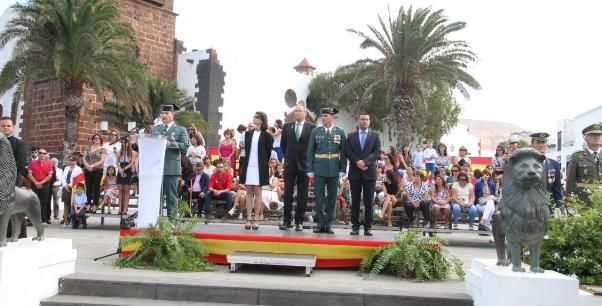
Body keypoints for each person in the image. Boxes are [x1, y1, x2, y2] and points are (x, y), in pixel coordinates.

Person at [307, 107, 347, 234]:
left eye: (326, 116)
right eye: (322, 116)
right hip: (319, 167)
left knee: (332, 197)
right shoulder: (315, 132)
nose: (324, 118)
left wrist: (342, 169)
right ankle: (320, 223)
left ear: (332, 117)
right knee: (319, 197)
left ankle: (329, 224)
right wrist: (310, 169)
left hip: (334, 168)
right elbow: (310, 152)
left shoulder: (340, 132)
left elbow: (344, 152)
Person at [278, 104, 314, 231]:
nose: (297, 113)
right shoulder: (287, 126)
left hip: (305, 165)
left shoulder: (312, 127)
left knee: (303, 195)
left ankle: (299, 221)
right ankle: (286, 221)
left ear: (305, 113)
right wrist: (289, 157)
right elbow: (283, 145)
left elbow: (313, 147)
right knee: (287, 193)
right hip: (290, 164)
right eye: (295, 111)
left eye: (299, 111)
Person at [344, 112, 380, 236]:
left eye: (367, 119)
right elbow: (347, 151)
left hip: (369, 172)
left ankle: (368, 227)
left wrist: (365, 162)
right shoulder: (351, 136)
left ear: (369, 121)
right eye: (362, 119)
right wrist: (357, 161)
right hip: (355, 172)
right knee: (355, 200)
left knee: (369, 201)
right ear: (358, 121)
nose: (364, 121)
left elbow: (376, 152)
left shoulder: (375, 136)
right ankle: (355, 226)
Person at [151, 104, 189, 218]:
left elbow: (185, 146)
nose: (164, 115)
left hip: (171, 167)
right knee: (157, 196)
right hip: (156, 167)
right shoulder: (156, 129)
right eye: (162, 113)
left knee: (171, 196)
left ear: (173, 114)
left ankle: (172, 222)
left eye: (166, 113)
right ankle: (155, 220)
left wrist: (172, 143)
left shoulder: (180, 129)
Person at [239, 111, 274, 230]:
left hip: (260, 166)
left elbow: (268, 152)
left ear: (262, 120)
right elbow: (247, 149)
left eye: (256, 117)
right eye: (254, 117)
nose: (254, 118)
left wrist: (263, 162)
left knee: (258, 191)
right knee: (248, 191)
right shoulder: (248, 134)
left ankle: (257, 219)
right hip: (249, 165)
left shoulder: (267, 135)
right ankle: (248, 218)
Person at [1, 116, 28, 238]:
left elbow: (20, 164)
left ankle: (18, 234)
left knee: (13, 210)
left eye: (8, 125)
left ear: (13, 127)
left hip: (11, 182)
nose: (6, 127)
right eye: (3, 125)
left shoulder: (20, 144)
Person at [566, 123, 602, 204]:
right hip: (584, 201)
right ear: (585, 138)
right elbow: (570, 181)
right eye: (593, 135)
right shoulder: (577, 156)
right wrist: (570, 202)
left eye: (599, 135)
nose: (597, 137)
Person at [530, 132, 563, 213]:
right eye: (538, 142)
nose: (541, 145)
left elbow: (557, 188)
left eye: (543, 142)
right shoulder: (525, 164)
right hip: (530, 206)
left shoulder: (554, 164)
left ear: (547, 145)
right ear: (532, 145)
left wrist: (559, 206)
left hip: (548, 206)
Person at [27, 147, 54, 224]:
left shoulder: (49, 164)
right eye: (40, 153)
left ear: (46, 155)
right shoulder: (32, 163)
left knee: (44, 202)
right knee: (33, 202)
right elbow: (29, 174)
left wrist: (40, 183)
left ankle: (43, 220)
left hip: (44, 185)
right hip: (34, 184)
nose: (42, 155)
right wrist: (36, 182)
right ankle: (32, 220)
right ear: (38, 154)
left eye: (44, 153)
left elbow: (50, 176)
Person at [82, 133, 106, 213]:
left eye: (98, 138)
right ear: (92, 140)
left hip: (97, 170)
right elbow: (84, 158)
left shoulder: (102, 150)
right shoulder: (87, 148)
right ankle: (88, 204)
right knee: (88, 187)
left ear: (100, 140)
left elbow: (102, 160)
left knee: (96, 188)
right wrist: (87, 166)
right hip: (87, 170)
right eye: (95, 138)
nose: (97, 139)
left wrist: (92, 166)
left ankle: (95, 204)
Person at [117, 137, 137, 214]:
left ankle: (125, 209)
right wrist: (120, 169)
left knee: (127, 191)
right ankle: (119, 209)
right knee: (120, 191)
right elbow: (117, 162)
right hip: (120, 169)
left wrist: (124, 169)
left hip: (127, 169)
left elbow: (132, 162)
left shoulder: (131, 152)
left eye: (126, 142)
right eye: (123, 142)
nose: (125, 144)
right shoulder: (120, 151)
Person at [60, 155, 82, 226]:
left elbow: (78, 179)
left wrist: (69, 185)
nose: (71, 162)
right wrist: (65, 185)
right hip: (65, 188)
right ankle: (66, 221)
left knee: (73, 204)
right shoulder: (66, 168)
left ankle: (73, 220)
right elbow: (63, 177)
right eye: (70, 160)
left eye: (73, 160)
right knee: (66, 205)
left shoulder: (78, 169)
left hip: (74, 188)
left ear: (75, 161)